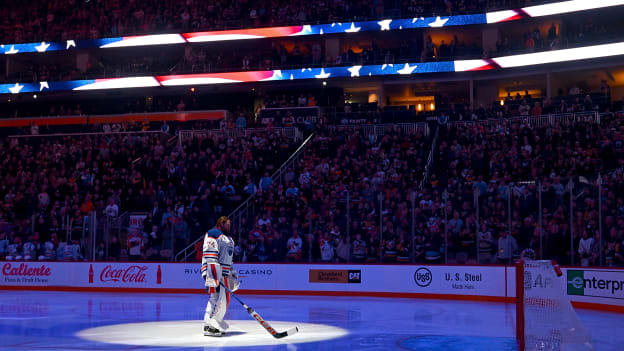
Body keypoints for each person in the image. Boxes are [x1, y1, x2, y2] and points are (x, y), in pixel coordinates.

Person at [201, 216, 240, 337]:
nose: (229, 226)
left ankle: (215, 322)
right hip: (215, 272)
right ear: (221, 223)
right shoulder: (213, 233)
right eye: (228, 224)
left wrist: (233, 274)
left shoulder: (229, 239)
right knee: (216, 298)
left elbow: (229, 259)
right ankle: (209, 325)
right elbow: (210, 255)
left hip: (224, 273)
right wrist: (215, 274)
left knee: (223, 299)